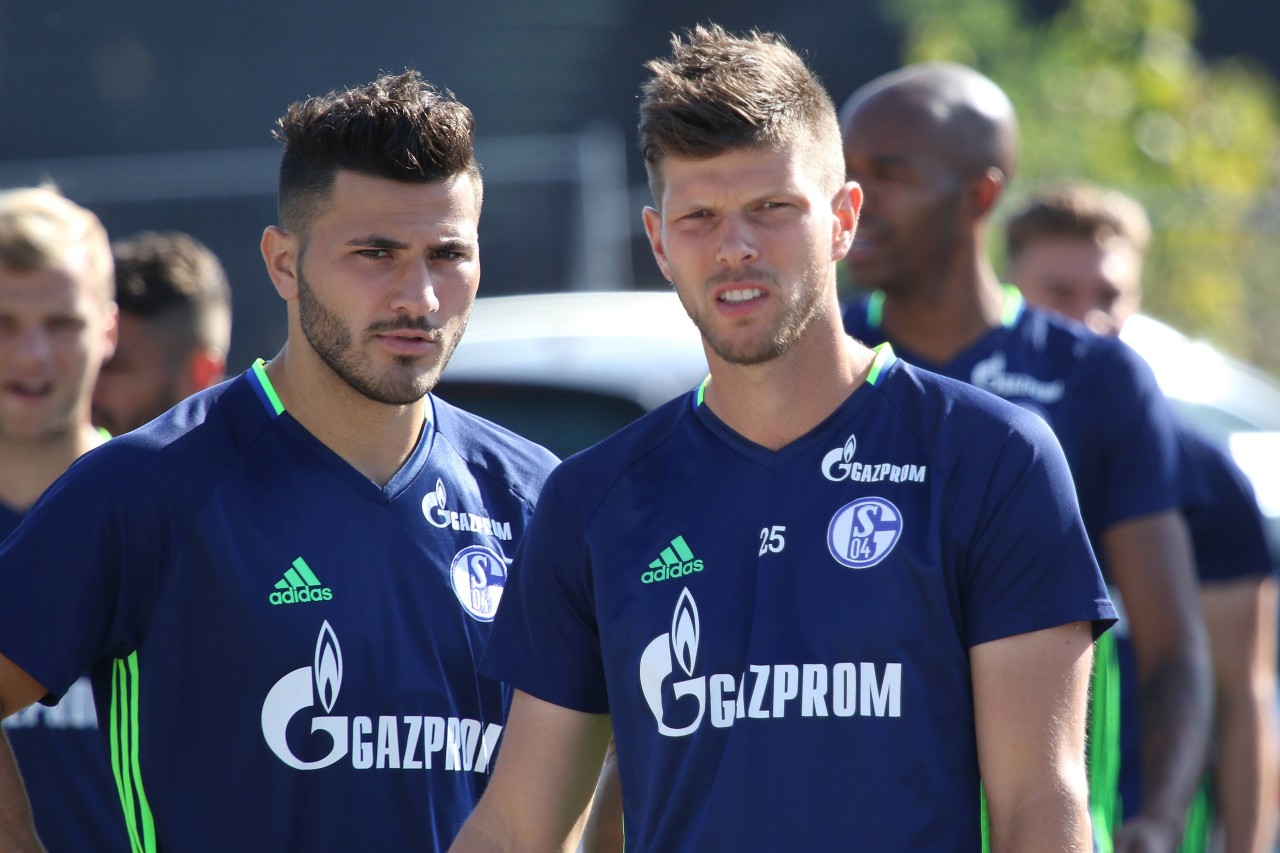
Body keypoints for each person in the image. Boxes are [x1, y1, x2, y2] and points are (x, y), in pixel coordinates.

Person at [452, 25, 1115, 851]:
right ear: (660, 243)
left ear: (843, 219)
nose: (735, 247)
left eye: (773, 209)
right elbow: (518, 825)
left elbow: (1039, 805)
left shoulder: (990, 457)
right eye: (699, 216)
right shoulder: (594, 499)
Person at [0, 70, 558, 851]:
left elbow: (565, 802)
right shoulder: (150, 485)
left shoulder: (533, 499)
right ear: (284, 263)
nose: (421, 296)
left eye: (447, 254)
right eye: (376, 253)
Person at [839, 63, 1213, 852]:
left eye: (889, 173)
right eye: (844, 172)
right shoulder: (820, 358)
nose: (855, 199)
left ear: (980, 193)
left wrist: (1159, 822)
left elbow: (1173, 640)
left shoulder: (1096, 376)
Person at [1006, 182, 1279, 853]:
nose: (1088, 319)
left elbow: (1241, 699)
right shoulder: (967, 446)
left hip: (1145, 828)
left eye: (1108, 297)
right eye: (1059, 293)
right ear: (1009, 287)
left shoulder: (1206, 476)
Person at [0, 186, 130, 851]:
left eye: (61, 323)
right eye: (5, 323)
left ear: (108, 328)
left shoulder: (164, 514)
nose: (33, 357)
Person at [92, 230, 232, 436]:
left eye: (114, 364)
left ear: (201, 374)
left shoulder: (259, 465)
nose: (88, 383)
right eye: (91, 356)